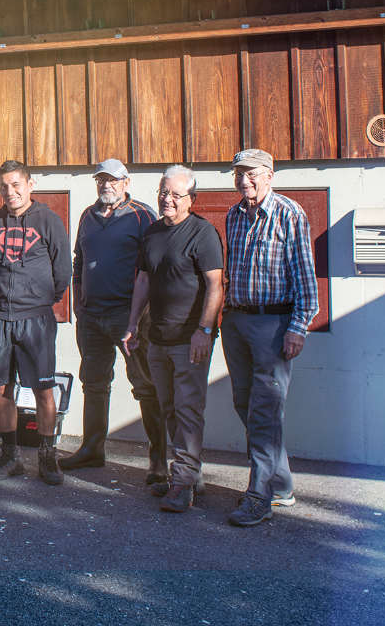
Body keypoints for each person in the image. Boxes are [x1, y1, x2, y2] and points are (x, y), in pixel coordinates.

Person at [221, 149, 318, 527]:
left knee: (264, 411)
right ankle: (281, 485)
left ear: (269, 175)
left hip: (273, 326)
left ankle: (258, 496)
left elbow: (305, 278)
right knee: (245, 405)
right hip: (236, 321)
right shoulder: (232, 215)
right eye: (239, 175)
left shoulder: (290, 214)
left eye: (251, 174)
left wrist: (298, 327)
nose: (244, 181)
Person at [123, 166, 223, 513]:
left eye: (175, 195)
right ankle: (188, 475)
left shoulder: (203, 233)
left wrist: (204, 330)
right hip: (157, 338)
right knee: (168, 408)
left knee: (188, 409)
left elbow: (215, 285)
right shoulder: (151, 234)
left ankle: (182, 482)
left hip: (189, 338)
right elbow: (143, 282)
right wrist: (133, 324)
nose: (167, 199)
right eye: (163, 193)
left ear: (191, 200)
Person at [61, 159, 166, 487]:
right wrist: (78, 300)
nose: (107, 185)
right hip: (91, 316)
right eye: (102, 180)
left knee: (145, 385)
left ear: (126, 182)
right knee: (93, 382)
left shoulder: (142, 215)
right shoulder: (87, 216)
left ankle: (159, 460)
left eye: (113, 180)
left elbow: (153, 268)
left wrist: (142, 315)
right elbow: (78, 259)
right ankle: (93, 448)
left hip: (128, 316)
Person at [0, 160, 71, 486]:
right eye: (4, 186)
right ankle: (10, 456)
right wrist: (6, 296)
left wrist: (39, 299)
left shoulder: (48, 220)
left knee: (43, 389)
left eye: (16, 184)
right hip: (0, 318)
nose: (10, 191)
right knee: (2, 389)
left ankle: (47, 457)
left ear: (30, 184)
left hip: (36, 319)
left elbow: (63, 272)